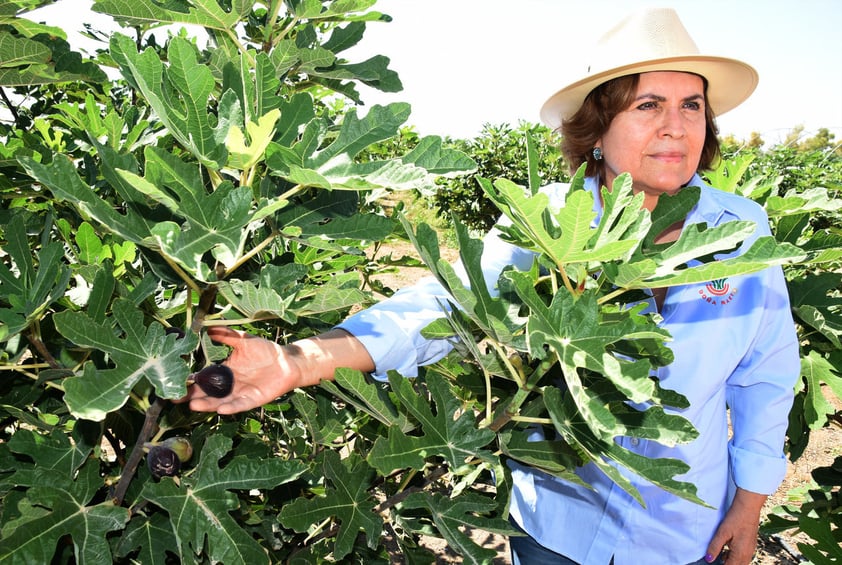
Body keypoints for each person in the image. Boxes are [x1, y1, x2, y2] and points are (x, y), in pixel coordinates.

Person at [182, 7, 799, 565]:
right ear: (597, 129)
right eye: (647, 105)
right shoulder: (547, 222)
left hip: (680, 527)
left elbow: (765, 376)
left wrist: (749, 506)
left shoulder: (741, 233)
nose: (675, 126)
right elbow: (443, 307)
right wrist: (302, 359)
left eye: (692, 105)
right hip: (559, 520)